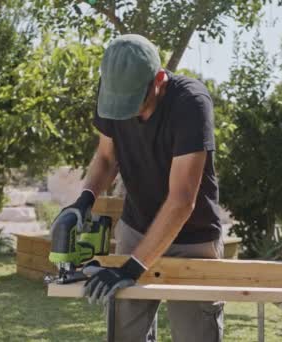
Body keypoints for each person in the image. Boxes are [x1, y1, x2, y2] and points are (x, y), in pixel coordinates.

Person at [53, 34, 223, 342]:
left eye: (137, 105)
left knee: (195, 335)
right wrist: (85, 200)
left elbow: (182, 201)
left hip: (193, 241)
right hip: (136, 230)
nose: (130, 115)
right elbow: (106, 157)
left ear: (159, 80)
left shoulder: (191, 103)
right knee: (122, 333)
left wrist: (132, 268)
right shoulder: (113, 91)